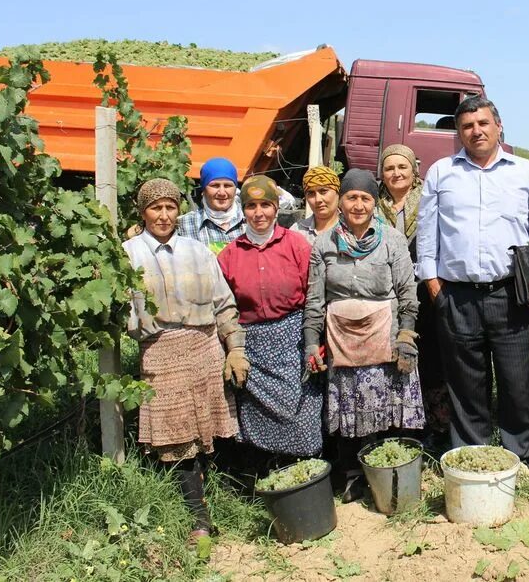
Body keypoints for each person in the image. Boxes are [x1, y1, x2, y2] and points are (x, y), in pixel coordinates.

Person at [417, 96, 529, 466]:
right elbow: (428, 231)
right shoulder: (441, 172)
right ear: (459, 133)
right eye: (467, 126)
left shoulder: (525, 172)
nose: (476, 131)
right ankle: (471, 455)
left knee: (517, 381)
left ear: (498, 127)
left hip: (510, 293)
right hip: (457, 295)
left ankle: (519, 459)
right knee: (465, 384)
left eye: (482, 123)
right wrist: (432, 281)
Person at [122, 178, 249, 541]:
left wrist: (234, 347)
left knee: (212, 428)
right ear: (142, 212)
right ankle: (198, 518)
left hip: (205, 348)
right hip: (160, 352)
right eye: (155, 208)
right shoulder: (128, 254)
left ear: (179, 210)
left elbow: (224, 304)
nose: (163, 215)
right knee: (175, 435)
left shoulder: (198, 252)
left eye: (170, 207)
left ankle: (224, 498)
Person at [303, 169, 425, 502]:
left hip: (384, 337)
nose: (358, 205)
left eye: (365, 198)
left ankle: (388, 476)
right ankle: (353, 478)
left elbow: (406, 293)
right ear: (341, 201)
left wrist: (406, 336)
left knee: (387, 410)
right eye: (352, 197)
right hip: (342, 342)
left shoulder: (392, 240)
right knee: (349, 413)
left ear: (374, 203)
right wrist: (312, 343)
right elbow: (315, 300)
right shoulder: (324, 243)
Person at [217, 175, 322, 469]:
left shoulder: (297, 245)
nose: (258, 213)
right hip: (253, 346)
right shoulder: (229, 255)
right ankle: (262, 474)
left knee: (301, 410)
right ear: (243, 210)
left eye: (265, 204)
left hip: (293, 338)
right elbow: (224, 306)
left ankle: (305, 472)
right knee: (255, 415)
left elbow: (314, 296)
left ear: (276, 208)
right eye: (251, 206)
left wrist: (314, 341)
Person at [377, 144, 451, 452]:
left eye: (402, 167)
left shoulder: (429, 201)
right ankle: (400, 426)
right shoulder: (373, 204)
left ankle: (437, 427)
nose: (396, 173)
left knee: (432, 360)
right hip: (387, 296)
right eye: (389, 168)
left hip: (424, 291)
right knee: (394, 361)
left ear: (413, 170)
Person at [178, 158, 246, 253]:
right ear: (203, 190)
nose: (222, 192)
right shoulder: (184, 224)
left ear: (235, 189)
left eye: (227, 186)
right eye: (215, 186)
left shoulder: (250, 221)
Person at [291, 166, 341, 245]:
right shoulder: (297, 231)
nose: (318, 200)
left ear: (337, 193)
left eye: (323, 191)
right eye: (311, 193)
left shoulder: (352, 229)